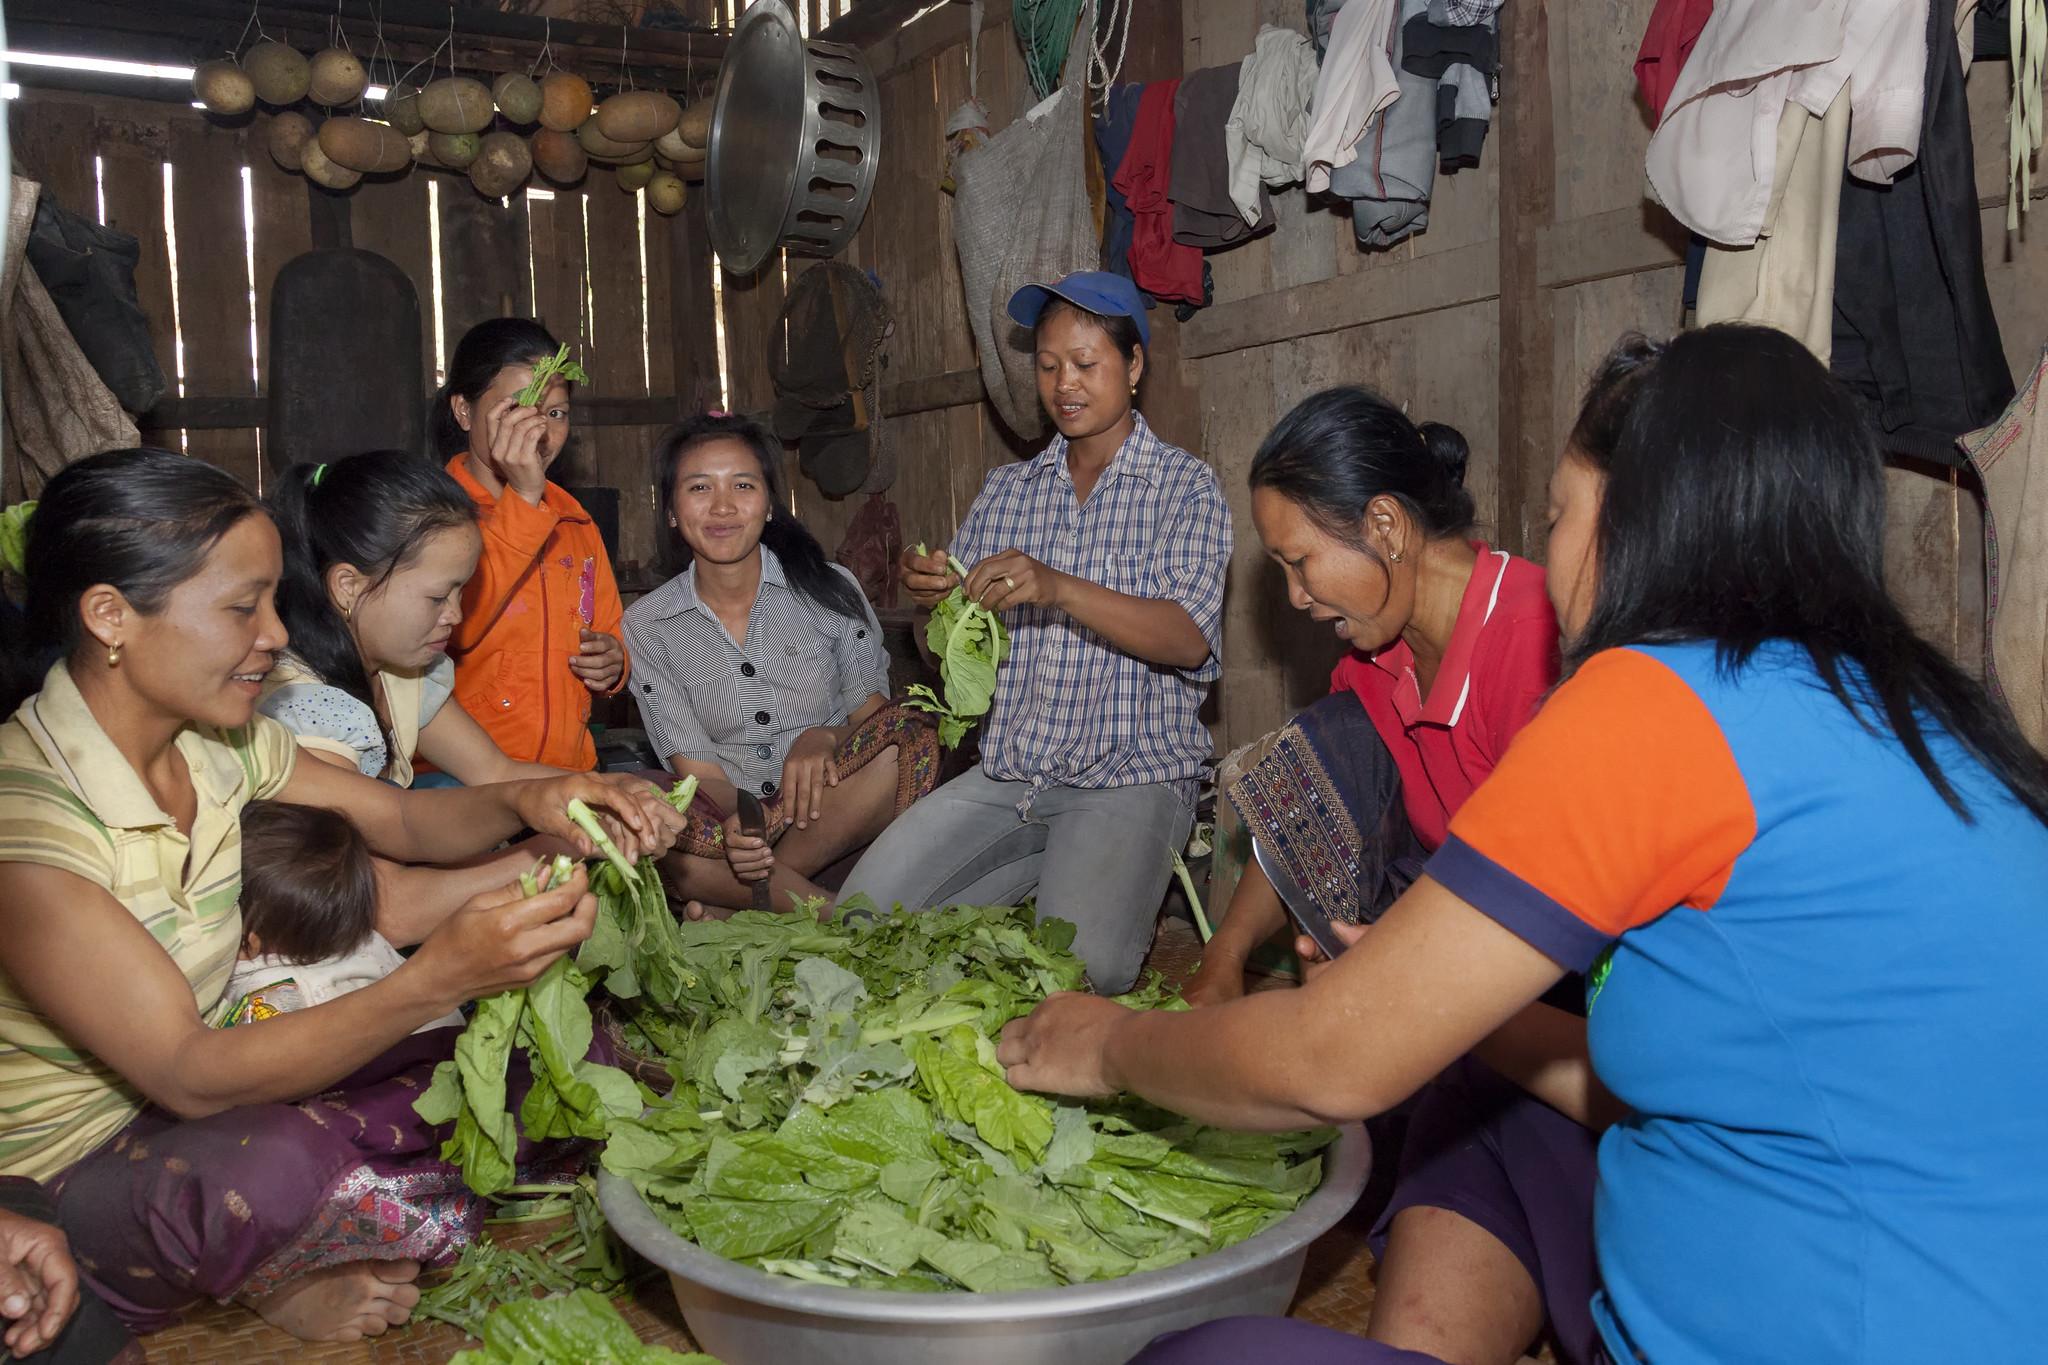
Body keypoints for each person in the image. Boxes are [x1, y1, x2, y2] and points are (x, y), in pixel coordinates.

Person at [997, 326, 2048, 1363]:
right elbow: (1662, 1074)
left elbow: (1329, 1061)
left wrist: (1105, 1046)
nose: (1545, 560)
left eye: (1556, 516)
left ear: (1636, 522)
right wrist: (1416, 997)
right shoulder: (1932, 722)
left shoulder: (1647, 698)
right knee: (1481, 1099)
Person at [0, 448, 681, 1343]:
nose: (279, 635)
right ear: (110, 616)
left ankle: (326, 1231)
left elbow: (401, 822)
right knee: (277, 1166)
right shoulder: (30, 826)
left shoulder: (219, 745)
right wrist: (434, 978)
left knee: (506, 1058)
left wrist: (534, 797)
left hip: (223, 1074)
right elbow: (187, 1071)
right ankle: (272, 1265)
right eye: (243, 607)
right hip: (81, 1161)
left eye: (275, 602)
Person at [1179, 386, 1594, 1365]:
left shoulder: (1543, 647)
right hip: (1461, 1003)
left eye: (1297, 563)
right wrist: (1223, 962)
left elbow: (1570, 928)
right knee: (1326, 741)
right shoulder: (1377, 656)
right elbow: (1300, 800)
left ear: (1383, 526)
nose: (1293, 599)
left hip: (1572, 1013)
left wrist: (1382, 986)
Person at [838, 271, 1232, 994]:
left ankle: (1073, 873)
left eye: (1087, 363)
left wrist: (1057, 586)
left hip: (1129, 778)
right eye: (1048, 366)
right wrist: (938, 608)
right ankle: (1047, 870)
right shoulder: (1007, 491)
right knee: (858, 923)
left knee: (1084, 971)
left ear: (1135, 366)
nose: (1064, 384)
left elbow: (1188, 640)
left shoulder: (1184, 488)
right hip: (1009, 777)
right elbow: (941, 654)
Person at [262, 449, 597, 942]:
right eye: (439, 597)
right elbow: (390, 909)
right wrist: (561, 848)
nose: (456, 616)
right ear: (348, 586)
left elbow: (495, 771)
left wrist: (604, 793)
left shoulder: (401, 669)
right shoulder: (301, 709)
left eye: (463, 591)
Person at [622, 413, 941, 917]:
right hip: (729, 825)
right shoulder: (647, 625)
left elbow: (876, 727)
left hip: (832, 816)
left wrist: (823, 737)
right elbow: (699, 774)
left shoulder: (829, 588)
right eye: (700, 487)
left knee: (912, 734)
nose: (722, 506)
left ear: (770, 504)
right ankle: (831, 912)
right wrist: (747, 824)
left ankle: (747, 903)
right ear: (670, 512)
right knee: (638, 807)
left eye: (743, 485)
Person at [432, 318, 626, 773]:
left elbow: (610, 629)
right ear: (463, 411)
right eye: (517, 409)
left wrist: (614, 665)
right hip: (461, 784)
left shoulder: (576, 522)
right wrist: (522, 499)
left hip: (568, 772)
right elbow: (458, 630)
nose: (539, 429)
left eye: (555, 413)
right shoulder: (430, 514)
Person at [222, 802, 464, 1034]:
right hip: (450, 1040)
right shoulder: (366, 941)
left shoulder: (265, 998)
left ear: (249, 943)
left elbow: (252, 1068)